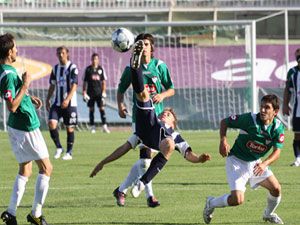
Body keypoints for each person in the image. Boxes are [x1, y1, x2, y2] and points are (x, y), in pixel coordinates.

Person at [90, 40, 211, 202]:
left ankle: (139, 184)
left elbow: (188, 154)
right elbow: (122, 149)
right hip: (146, 119)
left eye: (168, 114)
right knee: (144, 94)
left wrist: (200, 159)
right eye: (166, 112)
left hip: (152, 136)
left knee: (164, 148)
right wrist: (103, 162)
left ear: (173, 123)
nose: (165, 113)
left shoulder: (174, 135)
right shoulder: (157, 118)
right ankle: (135, 64)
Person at [112, 33, 175, 207]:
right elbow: (121, 89)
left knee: (145, 161)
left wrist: (162, 95)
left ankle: (121, 189)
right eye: (141, 44)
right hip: (140, 117)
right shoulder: (131, 69)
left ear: (152, 47)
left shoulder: (160, 66)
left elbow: (171, 89)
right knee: (145, 158)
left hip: (158, 120)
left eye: (146, 44)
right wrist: (120, 105)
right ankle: (149, 197)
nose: (144, 47)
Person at [203, 94, 285, 224]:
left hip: (256, 163)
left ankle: (268, 214)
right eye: (262, 107)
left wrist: (264, 164)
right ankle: (211, 203)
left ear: (275, 112)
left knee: (276, 189)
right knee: (237, 200)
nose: (262, 110)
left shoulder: (278, 128)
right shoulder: (250, 119)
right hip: (237, 161)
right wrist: (223, 141)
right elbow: (225, 121)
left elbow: (277, 152)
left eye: (267, 108)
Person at [0, 33, 52, 225]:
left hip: (16, 126)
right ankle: (36, 214)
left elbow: (14, 97)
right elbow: (12, 105)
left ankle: (11, 213)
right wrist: (26, 86)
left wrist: (28, 96)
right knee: (46, 168)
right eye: (14, 48)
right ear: (8, 51)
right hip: (26, 127)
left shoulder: (4, 71)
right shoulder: (8, 74)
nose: (17, 50)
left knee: (26, 169)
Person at [46, 46, 78, 160]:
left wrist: (68, 99)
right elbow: (52, 85)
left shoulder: (73, 68)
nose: (60, 55)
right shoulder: (55, 69)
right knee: (51, 123)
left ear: (67, 54)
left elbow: (75, 85)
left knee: (69, 128)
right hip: (57, 103)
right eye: (58, 53)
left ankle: (69, 152)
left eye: (62, 53)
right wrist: (47, 99)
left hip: (70, 104)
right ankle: (59, 147)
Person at [82, 53, 110, 134]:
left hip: (99, 93)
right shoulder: (88, 69)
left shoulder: (101, 69)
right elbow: (85, 82)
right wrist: (84, 92)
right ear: (91, 60)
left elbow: (104, 82)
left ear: (98, 60)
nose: (95, 61)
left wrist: (104, 92)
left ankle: (104, 126)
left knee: (102, 109)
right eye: (93, 59)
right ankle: (92, 127)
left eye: (96, 59)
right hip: (90, 93)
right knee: (91, 110)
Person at [283, 48, 300, 167]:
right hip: (298, 110)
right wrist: (285, 104)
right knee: (297, 134)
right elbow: (287, 90)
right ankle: (298, 158)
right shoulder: (293, 73)